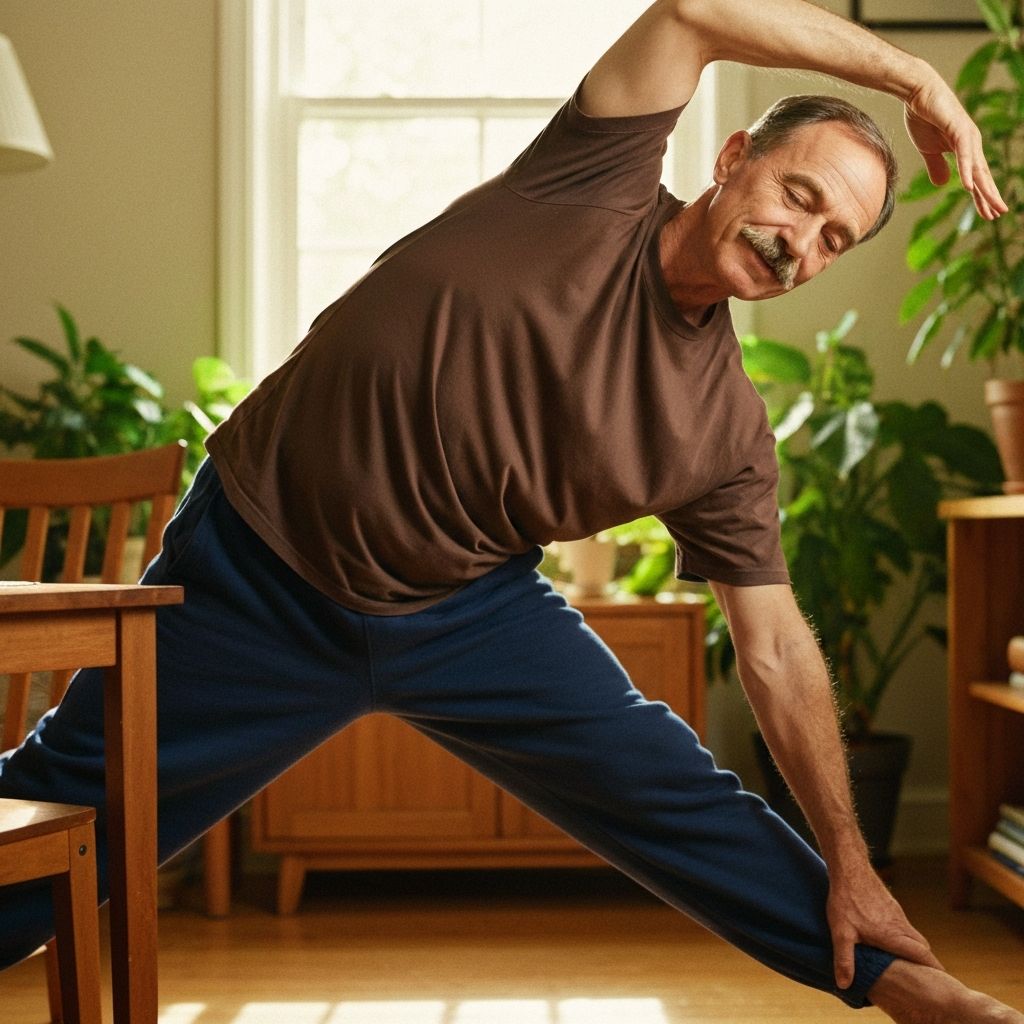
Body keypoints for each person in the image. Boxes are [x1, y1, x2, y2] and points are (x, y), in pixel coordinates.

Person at [1, 1, 1021, 1020]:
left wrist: (852, 855)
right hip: (257, 567)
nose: (800, 240)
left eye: (832, 238)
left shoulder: (723, 436)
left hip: (464, 616)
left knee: (671, 795)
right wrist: (915, 79)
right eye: (799, 197)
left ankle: (907, 989)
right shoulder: (594, 177)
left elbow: (775, 648)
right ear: (734, 155)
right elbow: (691, 12)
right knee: (73, 821)